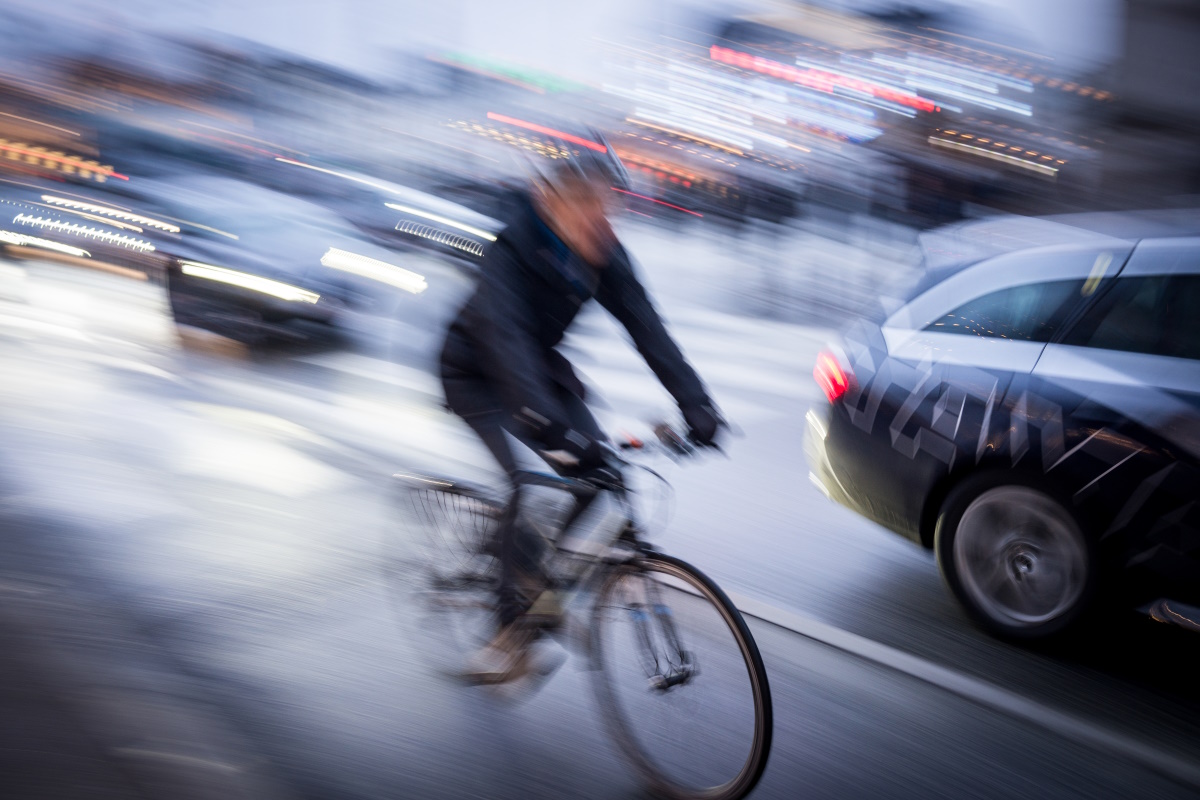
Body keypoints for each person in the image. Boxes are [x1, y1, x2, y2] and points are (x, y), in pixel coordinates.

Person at [439, 143, 722, 681]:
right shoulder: (511, 249)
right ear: (553, 205)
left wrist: (697, 404)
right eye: (589, 210)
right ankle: (506, 632)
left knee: (599, 476)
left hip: (539, 373)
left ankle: (536, 578)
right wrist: (550, 430)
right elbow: (507, 342)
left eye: (609, 210)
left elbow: (648, 330)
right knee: (540, 483)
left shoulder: (604, 251)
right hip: (478, 376)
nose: (603, 225)